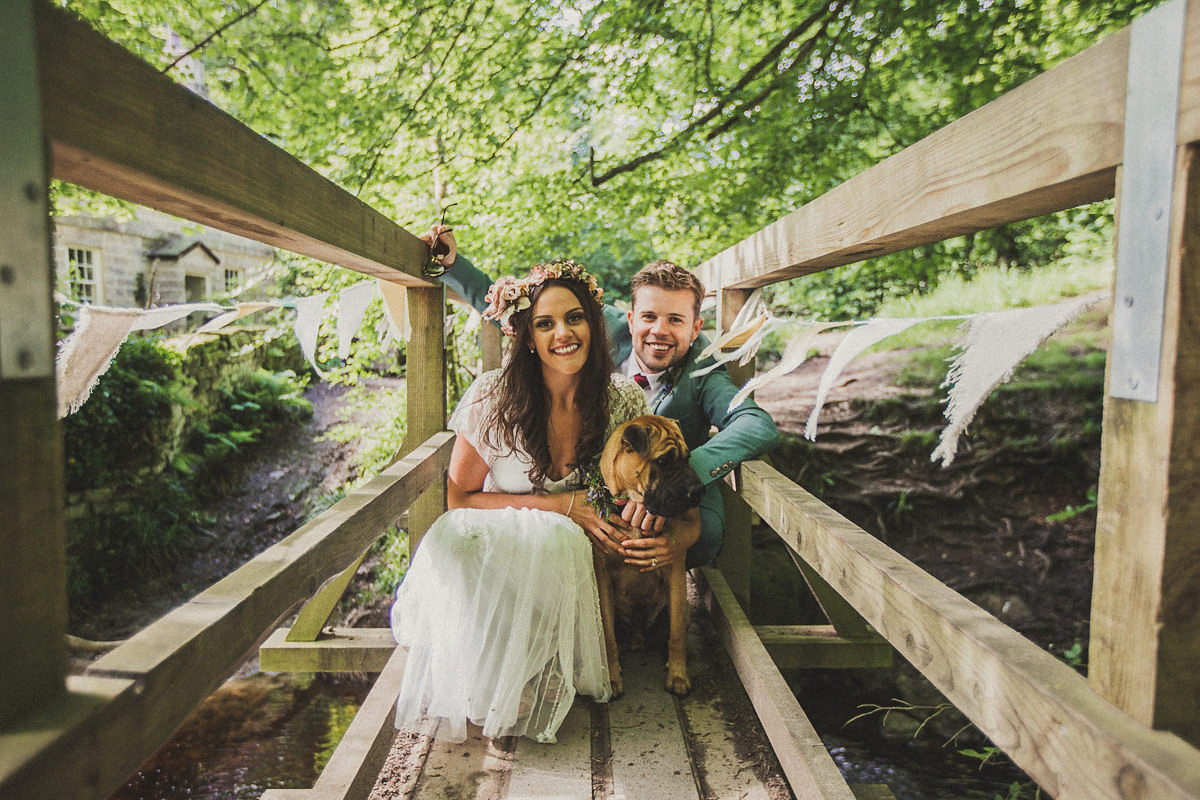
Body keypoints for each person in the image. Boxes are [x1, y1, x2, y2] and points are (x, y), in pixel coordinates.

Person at [390, 260, 661, 744]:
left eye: (574, 318)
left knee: (562, 543)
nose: (563, 333)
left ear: (594, 326)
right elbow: (458, 498)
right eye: (545, 323)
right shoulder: (494, 395)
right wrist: (559, 507)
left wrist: (648, 512)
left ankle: (544, 664)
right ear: (528, 337)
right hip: (495, 539)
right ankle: (507, 670)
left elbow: (641, 477)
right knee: (529, 537)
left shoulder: (620, 398)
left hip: (572, 558)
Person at [428, 228, 780, 571]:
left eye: (675, 320)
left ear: (695, 327)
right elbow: (524, 311)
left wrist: (687, 470)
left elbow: (755, 423)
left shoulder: (703, 371)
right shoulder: (589, 323)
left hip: (658, 484)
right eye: (649, 317)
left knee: (698, 535)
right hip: (573, 492)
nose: (659, 330)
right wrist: (452, 266)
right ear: (629, 319)